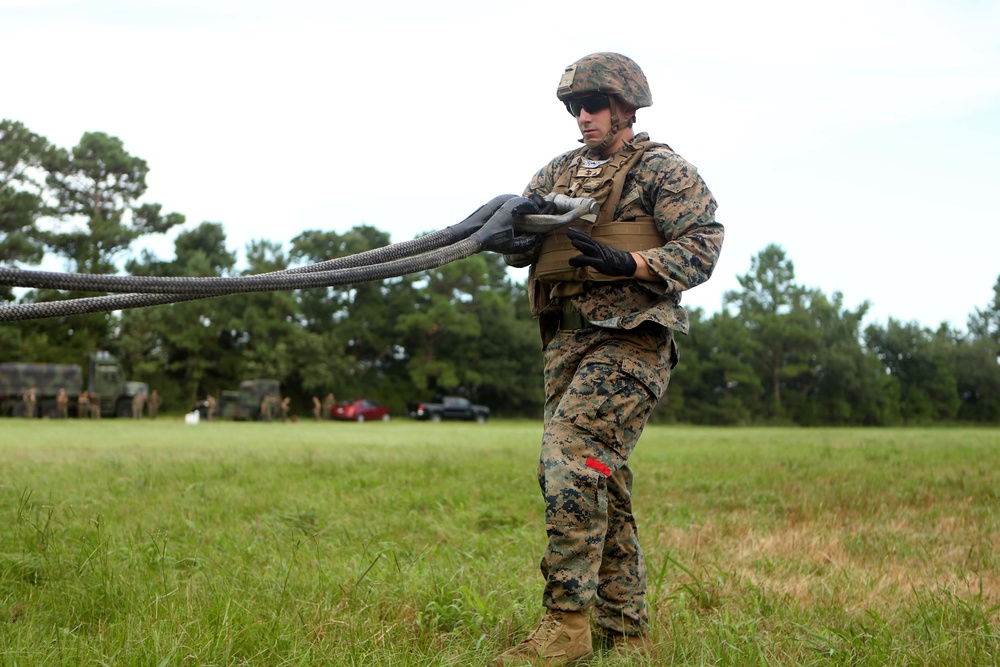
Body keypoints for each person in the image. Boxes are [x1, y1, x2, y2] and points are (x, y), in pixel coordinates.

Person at [495, 53, 724, 665]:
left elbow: (704, 245)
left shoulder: (662, 170)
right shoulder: (556, 172)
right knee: (600, 471)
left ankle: (566, 626)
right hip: (566, 344)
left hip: (632, 340)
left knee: (568, 460)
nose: (583, 116)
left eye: (593, 104)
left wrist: (635, 263)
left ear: (626, 106)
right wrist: (511, 240)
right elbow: (527, 240)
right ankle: (624, 632)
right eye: (574, 107)